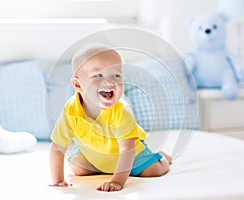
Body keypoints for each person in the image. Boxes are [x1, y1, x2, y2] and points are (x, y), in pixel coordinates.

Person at [49, 44, 172, 192]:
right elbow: (57, 148)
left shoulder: (122, 111)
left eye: (116, 75)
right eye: (98, 75)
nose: (109, 81)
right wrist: (58, 181)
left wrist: (117, 181)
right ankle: (101, 168)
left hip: (131, 158)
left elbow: (127, 150)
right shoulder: (71, 110)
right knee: (79, 168)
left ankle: (164, 158)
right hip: (95, 157)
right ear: (77, 83)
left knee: (154, 171)